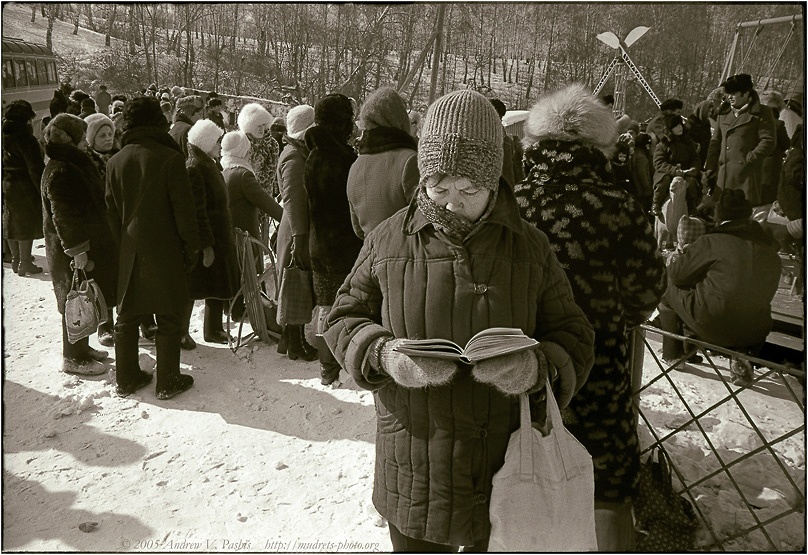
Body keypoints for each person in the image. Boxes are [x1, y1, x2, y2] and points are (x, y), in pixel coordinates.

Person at [324, 89, 594, 551]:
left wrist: (536, 368)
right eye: (439, 187)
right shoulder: (388, 240)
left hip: (505, 473)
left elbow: (574, 334)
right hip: (415, 472)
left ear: (494, 183)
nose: (452, 203)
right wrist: (384, 354)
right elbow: (343, 316)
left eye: (468, 190)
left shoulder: (530, 248)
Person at [513, 83, 666, 550]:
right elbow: (644, 297)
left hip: (521, 374)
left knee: (521, 476)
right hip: (598, 375)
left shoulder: (511, 206)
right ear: (602, 147)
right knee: (605, 482)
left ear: (534, 146)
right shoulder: (620, 209)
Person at [106, 96, 200, 399]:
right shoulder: (170, 158)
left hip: (128, 249)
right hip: (166, 247)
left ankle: (127, 377)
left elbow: (111, 212)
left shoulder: (114, 161)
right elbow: (184, 211)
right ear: (157, 121)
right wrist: (193, 246)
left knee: (128, 315)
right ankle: (168, 380)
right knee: (169, 314)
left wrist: (122, 247)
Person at [658, 189, 781, 385]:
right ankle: (742, 355)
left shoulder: (712, 242)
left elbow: (677, 274)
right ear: (748, 217)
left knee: (667, 284)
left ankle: (674, 354)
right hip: (755, 330)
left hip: (712, 323)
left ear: (719, 215)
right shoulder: (770, 252)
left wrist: (678, 257)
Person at [41, 114, 118, 376]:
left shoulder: (70, 162)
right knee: (74, 300)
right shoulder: (62, 168)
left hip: (82, 245)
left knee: (83, 296)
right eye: (82, 136)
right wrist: (78, 249)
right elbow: (63, 213)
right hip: (71, 250)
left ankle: (82, 348)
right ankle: (73, 357)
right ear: (72, 139)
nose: (86, 141)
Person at [304, 93, 364, 386]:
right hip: (344, 244)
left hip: (319, 244)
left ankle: (327, 367)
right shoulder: (345, 158)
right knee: (348, 305)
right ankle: (350, 359)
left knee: (325, 304)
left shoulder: (312, 154)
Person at [184, 119, 240, 344]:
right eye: (217, 141)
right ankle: (182, 331)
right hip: (210, 238)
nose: (220, 145)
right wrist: (206, 244)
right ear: (206, 141)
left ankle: (213, 329)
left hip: (218, 235)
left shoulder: (207, 163)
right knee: (196, 286)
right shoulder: (195, 167)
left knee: (215, 284)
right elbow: (198, 210)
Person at [221, 130, 283, 327]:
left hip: (231, 234)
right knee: (251, 273)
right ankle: (254, 311)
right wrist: (288, 219)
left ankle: (237, 309)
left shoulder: (225, 171)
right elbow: (267, 203)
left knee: (237, 274)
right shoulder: (243, 175)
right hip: (246, 236)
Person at [275, 105, 318, 362]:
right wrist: (299, 239)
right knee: (294, 286)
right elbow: (292, 199)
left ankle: (291, 340)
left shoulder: (298, 152)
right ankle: (295, 344)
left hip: (296, 228)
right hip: (294, 230)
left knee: (296, 284)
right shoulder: (294, 156)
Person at [347, 86, 419, 240]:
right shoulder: (409, 161)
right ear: (400, 119)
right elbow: (422, 220)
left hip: (371, 256)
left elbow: (358, 229)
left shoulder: (355, 165)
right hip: (405, 256)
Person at [705, 73, 776, 206]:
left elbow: (768, 141)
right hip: (723, 176)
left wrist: (749, 159)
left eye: (733, 93)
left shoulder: (762, 113)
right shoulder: (723, 113)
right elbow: (715, 143)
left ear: (746, 93)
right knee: (721, 217)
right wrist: (709, 167)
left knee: (742, 216)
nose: (729, 97)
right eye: (728, 93)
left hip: (746, 176)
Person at [84, 112, 120, 346]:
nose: (107, 138)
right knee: (102, 279)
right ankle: (104, 326)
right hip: (98, 228)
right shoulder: (86, 162)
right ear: (90, 138)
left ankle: (125, 322)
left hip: (120, 224)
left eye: (110, 134)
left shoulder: (119, 156)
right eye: (102, 135)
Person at [2, 100, 45, 276]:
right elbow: (35, 167)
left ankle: (15, 261)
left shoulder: (3, 135)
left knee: (11, 221)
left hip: (7, 183)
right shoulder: (26, 138)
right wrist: (42, 188)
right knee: (25, 225)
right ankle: (25, 263)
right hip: (24, 185)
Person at [238, 102, 281, 250]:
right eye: (258, 125)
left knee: (256, 242)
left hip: (260, 195)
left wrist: (253, 188)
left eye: (264, 125)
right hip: (239, 194)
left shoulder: (272, 145)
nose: (262, 129)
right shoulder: (240, 141)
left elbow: (269, 173)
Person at [652, 114, 701, 220]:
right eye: (675, 126)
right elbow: (659, 163)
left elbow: (695, 158)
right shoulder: (662, 145)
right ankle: (656, 203)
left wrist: (694, 169)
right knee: (664, 181)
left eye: (680, 124)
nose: (679, 127)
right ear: (669, 129)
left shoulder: (688, 143)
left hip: (686, 172)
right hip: (666, 172)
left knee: (691, 183)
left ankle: (692, 207)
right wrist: (674, 171)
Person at [757, 90, 792, 207]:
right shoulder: (778, 124)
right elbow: (787, 144)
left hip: (753, 164)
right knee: (766, 200)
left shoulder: (753, 121)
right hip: (770, 168)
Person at [631, 132, 654, 216]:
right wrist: (648, 187)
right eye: (647, 145)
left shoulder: (636, 153)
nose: (648, 147)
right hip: (642, 190)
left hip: (639, 189)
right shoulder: (641, 157)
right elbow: (643, 175)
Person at [686, 99, 714, 167]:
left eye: (711, 112)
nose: (710, 114)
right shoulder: (690, 123)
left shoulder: (706, 123)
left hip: (703, 156)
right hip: (692, 157)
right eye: (708, 112)